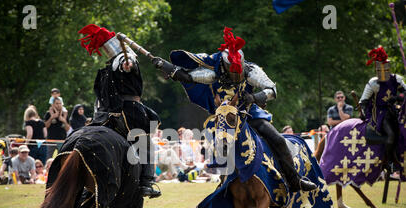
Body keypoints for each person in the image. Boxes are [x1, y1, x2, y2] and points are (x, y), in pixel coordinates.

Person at [152, 27, 317, 192]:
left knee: (279, 140)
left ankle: (295, 180)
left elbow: (272, 90)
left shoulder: (251, 70)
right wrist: (164, 66)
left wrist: (254, 98)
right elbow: (186, 76)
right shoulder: (213, 73)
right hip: (225, 118)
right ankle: (224, 183)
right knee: (217, 141)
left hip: (249, 113)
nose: (236, 76)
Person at [79, 24, 161, 198]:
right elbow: (127, 63)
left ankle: (85, 188)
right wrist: (128, 63)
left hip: (103, 116)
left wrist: (127, 63)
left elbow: (126, 64)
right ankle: (146, 182)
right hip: (129, 114)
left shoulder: (107, 70)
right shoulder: (125, 60)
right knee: (146, 144)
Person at [359, 46, 406, 164]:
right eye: (381, 70)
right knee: (391, 135)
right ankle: (390, 162)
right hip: (379, 114)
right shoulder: (373, 83)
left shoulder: (397, 80)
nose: (384, 72)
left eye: (386, 69)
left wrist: (397, 97)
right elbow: (363, 101)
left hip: (395, 111)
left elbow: (405, 93)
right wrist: (364, 113)